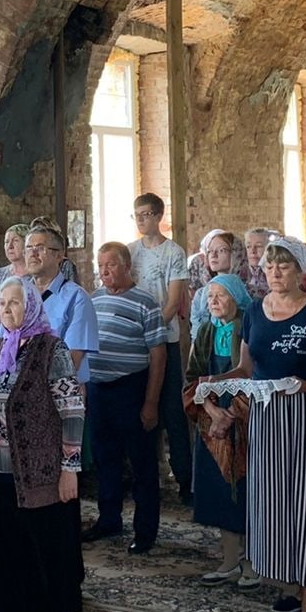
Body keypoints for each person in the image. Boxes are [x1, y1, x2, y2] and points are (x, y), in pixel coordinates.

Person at [206, 237, 306, 612]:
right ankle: (290, 581)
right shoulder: (254, 313)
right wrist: (212, 381)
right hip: (268, 416)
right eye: (269, 266)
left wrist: (302, 387)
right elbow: (246, 368)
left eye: (283, 266)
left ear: (300, 271)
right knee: (275, 499)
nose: (274, 272)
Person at [0, 278, 84, 612]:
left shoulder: (50, 348)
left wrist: (70, 467)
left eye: (15, 303)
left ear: (33, 305)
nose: (6, 310)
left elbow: (72, 410)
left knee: (39, 546)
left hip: (38, 470)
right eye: (1, 304)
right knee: (7, 546)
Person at [86, 243, 169, 554]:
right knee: (105, 459)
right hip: (98, 388)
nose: (104, 272)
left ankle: (145, 531)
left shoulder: (145, 303)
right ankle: (109, 520)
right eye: (100, 265)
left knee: (141, 463)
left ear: (126, 266)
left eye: (110, 265)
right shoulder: (93, 299)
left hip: (131, 389)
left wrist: (150, 403)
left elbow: (158, 355)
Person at [185, 272, 255, 584]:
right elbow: (193, 378)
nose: (213, 301)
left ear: (236, 298)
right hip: (212, 426)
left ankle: (253, 563)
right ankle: (228, 560)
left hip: (245, 422)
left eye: (220, 295)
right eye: (209, 296)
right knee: (218, 492)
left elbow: (254, 376)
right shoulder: (204, 332)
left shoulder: (248, 327)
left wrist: (233, 414)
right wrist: (213, 413)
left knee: (246, 492)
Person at [128, 194, 192, 503]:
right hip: (136, 342)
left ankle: (185, 479)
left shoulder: (173, 252)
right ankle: (146, 475)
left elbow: (173, 299)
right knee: (140, 409)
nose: (140, 220)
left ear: (157, 216)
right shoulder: (130, 252)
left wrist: (150, 331)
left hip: (164, 338)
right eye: (136, 215)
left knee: (171, 409)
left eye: (145, 214)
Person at [25, 218, 99, 381]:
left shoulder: (77, 298)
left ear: (59, 256)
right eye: (28, 248)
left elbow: (72, 359)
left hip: (59, 390)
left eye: (40, 248)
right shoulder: (18, 295)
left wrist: (33, 381)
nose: (33, 253)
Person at [0, 225, 30, 354]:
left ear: (27, 244)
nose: (10, 246)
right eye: (6, 242)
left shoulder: (34, 278)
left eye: (15, 241)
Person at [188, 230, 238, 346]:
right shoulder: (201, 295)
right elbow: (197, 338)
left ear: (235, 253)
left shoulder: (248, 291)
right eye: (210, 251)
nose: (214, 255)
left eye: (221, 250)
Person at [243, 228, 273, 297]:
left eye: (259, 246)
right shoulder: (240, 273)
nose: (253, 251)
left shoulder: (273, 273)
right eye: (248, 246)